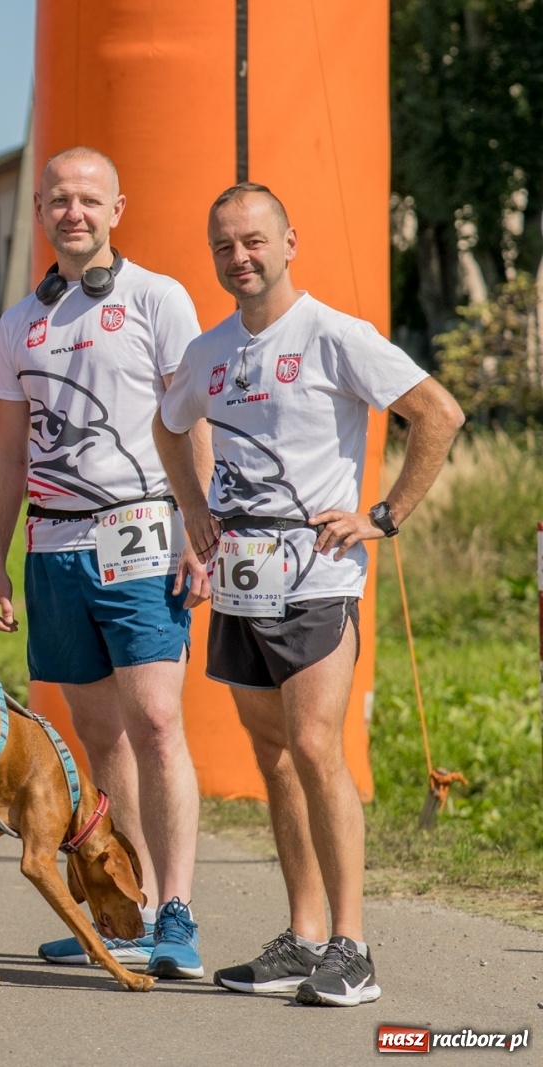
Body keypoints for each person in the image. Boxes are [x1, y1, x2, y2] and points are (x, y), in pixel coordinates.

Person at [155, 183, 463, 1006]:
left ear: (291, 242)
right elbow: (169, 422)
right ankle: (303, 934)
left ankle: (353, 946)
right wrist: (194, 510)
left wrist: (382, 516)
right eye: (224, 246)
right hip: (242, 575)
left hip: (320, 575)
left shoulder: (333, 334)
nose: (239, 258)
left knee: (317, 747)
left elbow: (438, 412)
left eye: (254, 241)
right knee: (274, 756)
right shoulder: (212, 349)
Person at [0, 146, 212, 979]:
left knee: (154, 718)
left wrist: (199, 526)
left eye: (89, 200)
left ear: (117, 208)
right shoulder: (19, 321)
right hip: (53, 542)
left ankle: (178, 908)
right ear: (38, 210)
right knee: (99, 735)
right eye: (57, 200)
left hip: (143, 530)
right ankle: (130, 904)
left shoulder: (158, 297)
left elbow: (191, 420)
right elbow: (4, 452)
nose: (72, 212)